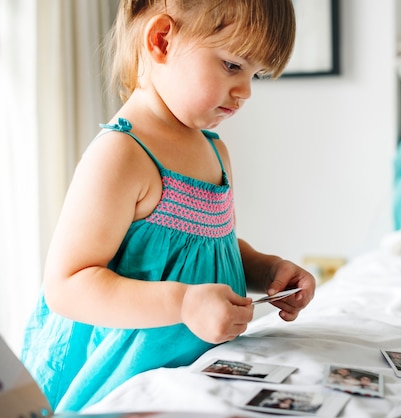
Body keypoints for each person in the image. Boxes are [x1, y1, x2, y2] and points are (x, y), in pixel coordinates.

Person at [20, 0, 314, 413]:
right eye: (232, 65)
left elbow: (213, 247)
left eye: (255, 74)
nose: (246, 90)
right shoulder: (122, 154)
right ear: (161, 40)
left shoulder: (216, 152)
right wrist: (183, 303)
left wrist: (267, 271)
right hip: (124, 379)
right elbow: (67, 286)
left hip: (197, 372)